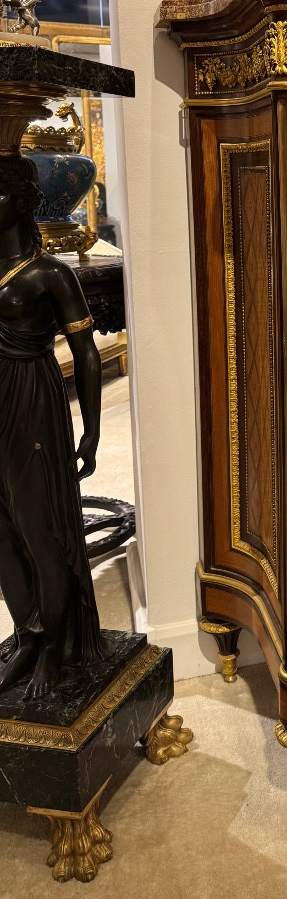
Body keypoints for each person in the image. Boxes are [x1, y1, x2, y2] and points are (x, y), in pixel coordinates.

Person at [0, 153, 104, 700]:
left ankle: (59, 649)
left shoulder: (50, 274)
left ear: (19, 202)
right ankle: (28, 638)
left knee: (41, 533)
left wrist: (91, 428)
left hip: (31, 401)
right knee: (2, 534)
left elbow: (86, 355)